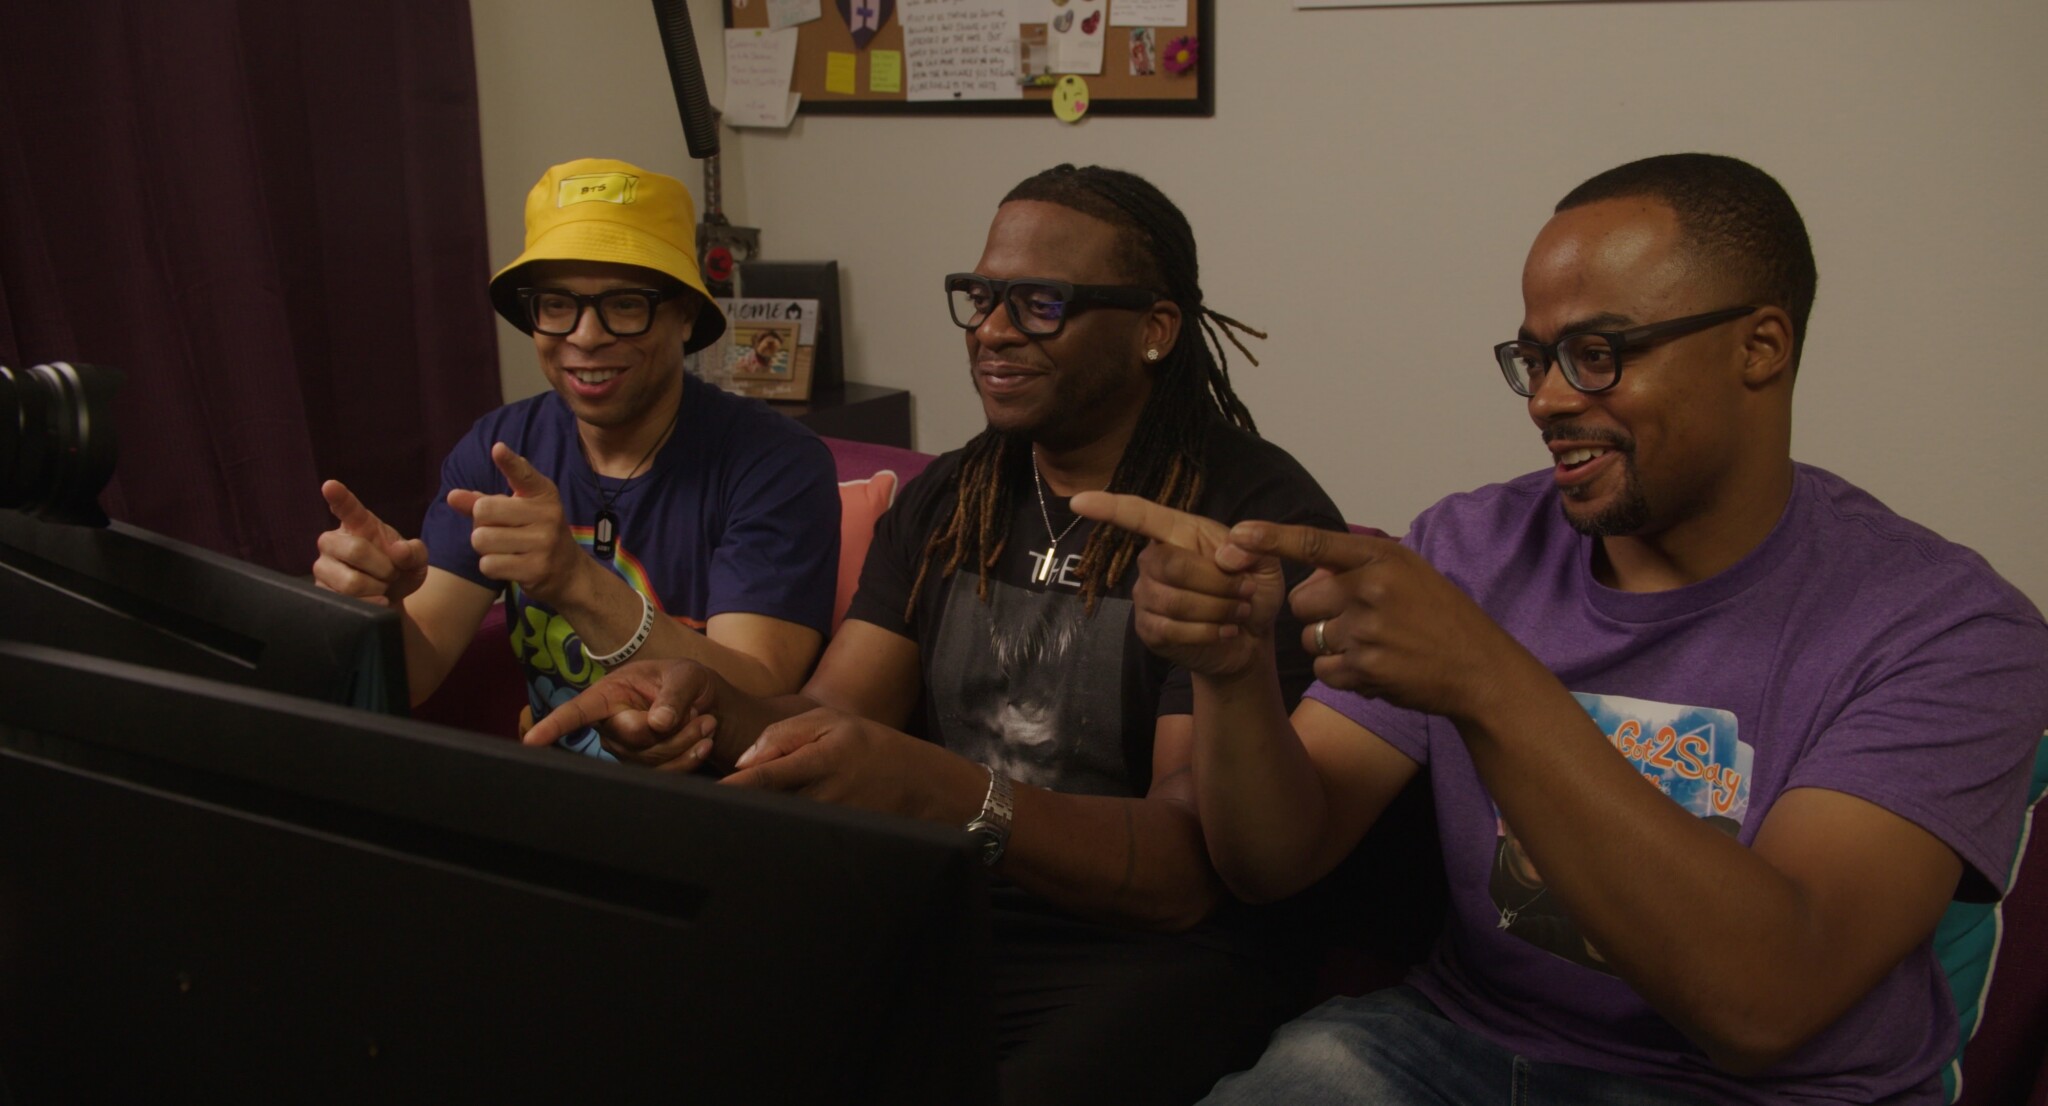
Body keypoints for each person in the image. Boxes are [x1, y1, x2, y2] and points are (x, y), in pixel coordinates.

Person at [1075, 153, 2048, 1104]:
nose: (1545, 400)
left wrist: (1486, 678)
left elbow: (1764, 1004)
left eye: (1598, 354)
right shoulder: (1471, 544)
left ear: (1759, 346)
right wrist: (1233, 672)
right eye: (1534, 359)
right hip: (1453, 1044)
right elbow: (1274, 859)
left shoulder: (1944, 627)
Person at [526, 163, 1348, 1105]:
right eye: (982, 297)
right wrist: (696, 706)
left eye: (1041, 303)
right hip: (942, 911)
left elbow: (1179, 875)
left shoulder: (1242, 521)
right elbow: (827, 721)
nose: (994, 329)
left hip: (1156, 958)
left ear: (1156, 330)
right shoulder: (954, 498)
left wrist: (945, 791)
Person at [312, 157, 839, 758]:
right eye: (557, 304)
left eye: (626, 304)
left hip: (720, 809)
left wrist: (573, 580)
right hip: (559, 800)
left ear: (686, 314)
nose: (586, 336)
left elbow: (759, 697)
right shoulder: (500, 449)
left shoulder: (775, 464)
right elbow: (418, 670)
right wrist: (370, 610)